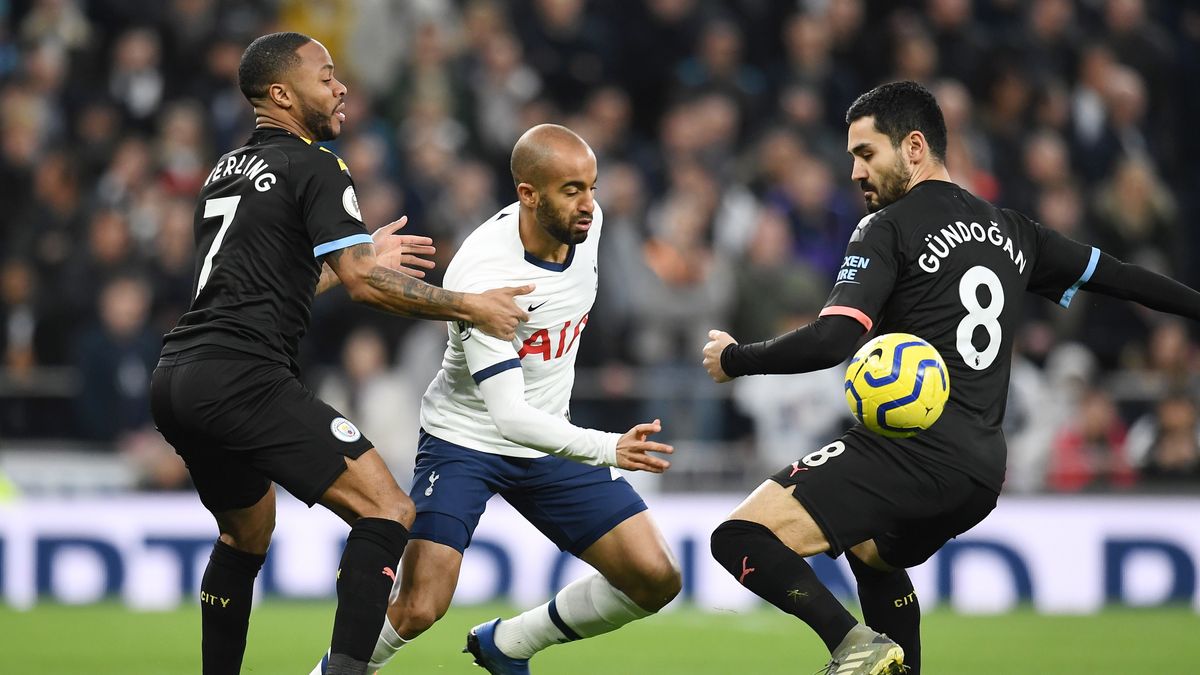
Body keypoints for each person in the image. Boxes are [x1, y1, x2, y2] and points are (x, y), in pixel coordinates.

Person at [701, 80, 1200, 675]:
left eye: (867, 154)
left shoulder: (886, 228)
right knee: (871, 553)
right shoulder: (1015, 231)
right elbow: (1121, 276)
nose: (856, 172)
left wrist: (736, 358)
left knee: (738, 537)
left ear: (914, 148)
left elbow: (835, 338)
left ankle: (849, 643)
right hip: (982, 472)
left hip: (910, 451)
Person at [149, 32, 530, 675]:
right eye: (325, 77)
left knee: (245, 535)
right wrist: (471, 305)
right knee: (388, 509)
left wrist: (360, 260)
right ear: (282, 93)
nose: (341, 86)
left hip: (178, 379)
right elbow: (362, 283)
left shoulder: (226, 170)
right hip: (243, 377)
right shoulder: (316, 163)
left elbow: (283, 283)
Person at [312, 124, 681, 675]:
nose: (588, 204)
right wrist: (607, 448)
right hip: (466, 440)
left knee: (656, 576)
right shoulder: (486, 272)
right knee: (418, 607)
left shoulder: (591, 227)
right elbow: (508, 417)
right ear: (528, 194)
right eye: (571, 190)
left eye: (592, 187)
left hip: (550, 436)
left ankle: (508, 644)